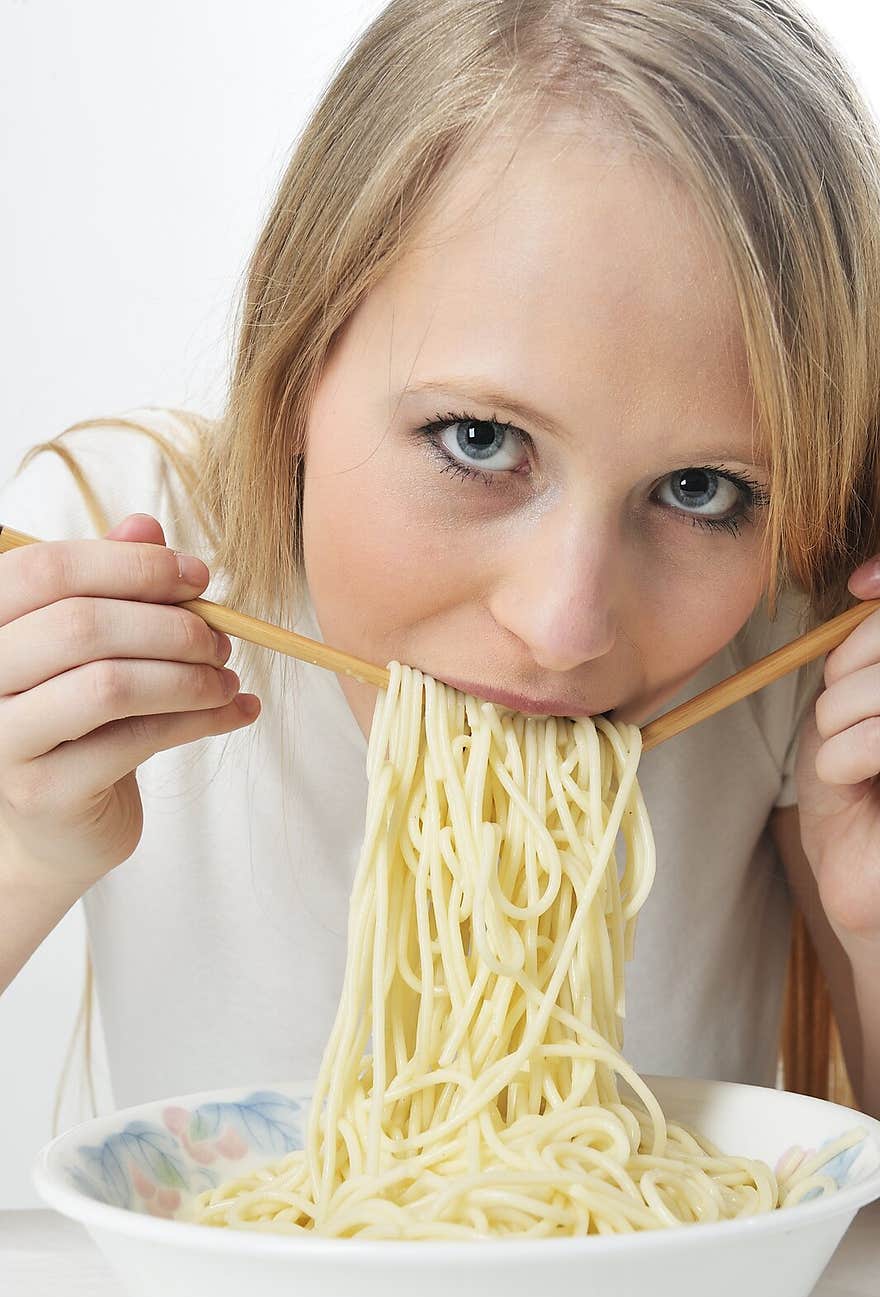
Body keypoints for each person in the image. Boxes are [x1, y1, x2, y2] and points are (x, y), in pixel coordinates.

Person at [1, 0, 879, 1120]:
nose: (564, 627)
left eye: (698, 492)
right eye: (480, 441)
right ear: (293, 365)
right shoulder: (103, 545)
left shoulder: (796, 643)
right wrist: (22, 848)